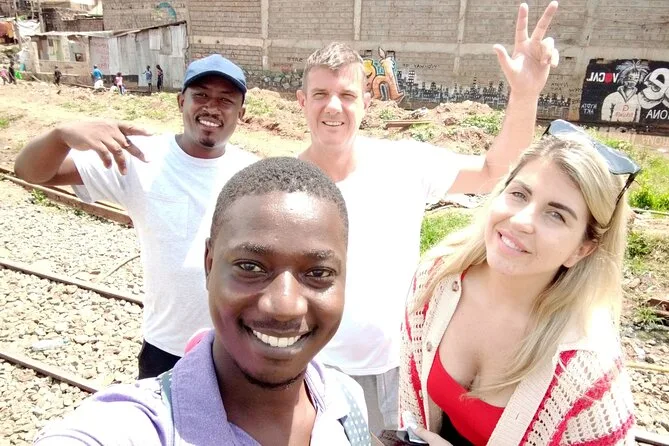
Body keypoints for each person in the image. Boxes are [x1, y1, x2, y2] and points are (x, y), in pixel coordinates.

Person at [296, 2, 560, 433]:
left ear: (367, 102)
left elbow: (495, 171)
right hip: (310, 371)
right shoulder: (284, 185)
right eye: (321, 95)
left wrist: (526, 94)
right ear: (302, 101)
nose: (334, 107)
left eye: (347, 95)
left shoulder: (404, 164)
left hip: (397, 370)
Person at [34, 157, 370, 446]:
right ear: (209, 264)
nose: (284, 307)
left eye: (318, 273)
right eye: (250, 267)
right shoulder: (136, 427)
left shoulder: (345, 403)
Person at [15, 54, 258, 379]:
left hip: (238, 347)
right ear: (181, 101)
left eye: (226, 100)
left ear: (241, 113)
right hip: (166, 348)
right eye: (201, 95)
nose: (212, 107)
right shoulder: (140, 158)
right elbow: (30, 172)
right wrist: (60, 136)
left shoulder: (253, 175)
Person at [399, 131, 637, 445]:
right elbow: (410, 411)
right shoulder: (436, 278)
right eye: (520, 194)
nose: (522, 220)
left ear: (582, 249)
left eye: (556, 214)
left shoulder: (589, 372)